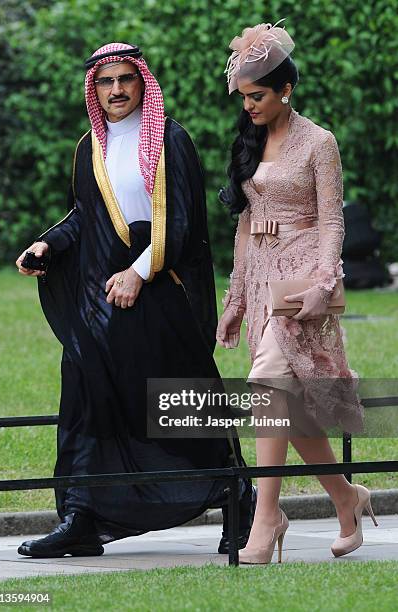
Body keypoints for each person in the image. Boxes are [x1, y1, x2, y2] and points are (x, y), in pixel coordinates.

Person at [15, 42, 255, 558]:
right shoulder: (89, 147)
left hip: (159, 290)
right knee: (85, 396)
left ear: (142, 82)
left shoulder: (170, 139)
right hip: (101, 297)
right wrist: (48, 243)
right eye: (106, 82)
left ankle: (234, 494)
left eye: (126, 79)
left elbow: (185, 222)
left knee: (172, 399)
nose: (117, 90)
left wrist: (139, 272)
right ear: (94, 90)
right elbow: (86, 214)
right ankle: (81, 513)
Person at [217, 20, 376, 565]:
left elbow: (332, 222)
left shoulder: (319, 142)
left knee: (267, 383)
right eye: (243, 97)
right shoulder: (252, 138)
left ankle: (266, 517)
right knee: (290, 404)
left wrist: (324, 282)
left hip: (301, 277)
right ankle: (345, 496)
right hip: (261, 276)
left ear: (286, 89)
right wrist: (236, 298)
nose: (249, 107)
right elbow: (246, 225)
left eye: (257, 96)